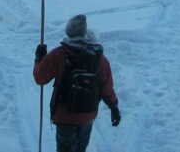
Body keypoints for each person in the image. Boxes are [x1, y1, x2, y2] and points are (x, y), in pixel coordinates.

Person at [34, 14, 120, 152]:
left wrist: (39, 59)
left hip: (65, 116)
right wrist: (114, 108)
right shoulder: (98, 58)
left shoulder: (58, 55)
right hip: (87, 114)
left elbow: (40, 78)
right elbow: (107, 88)